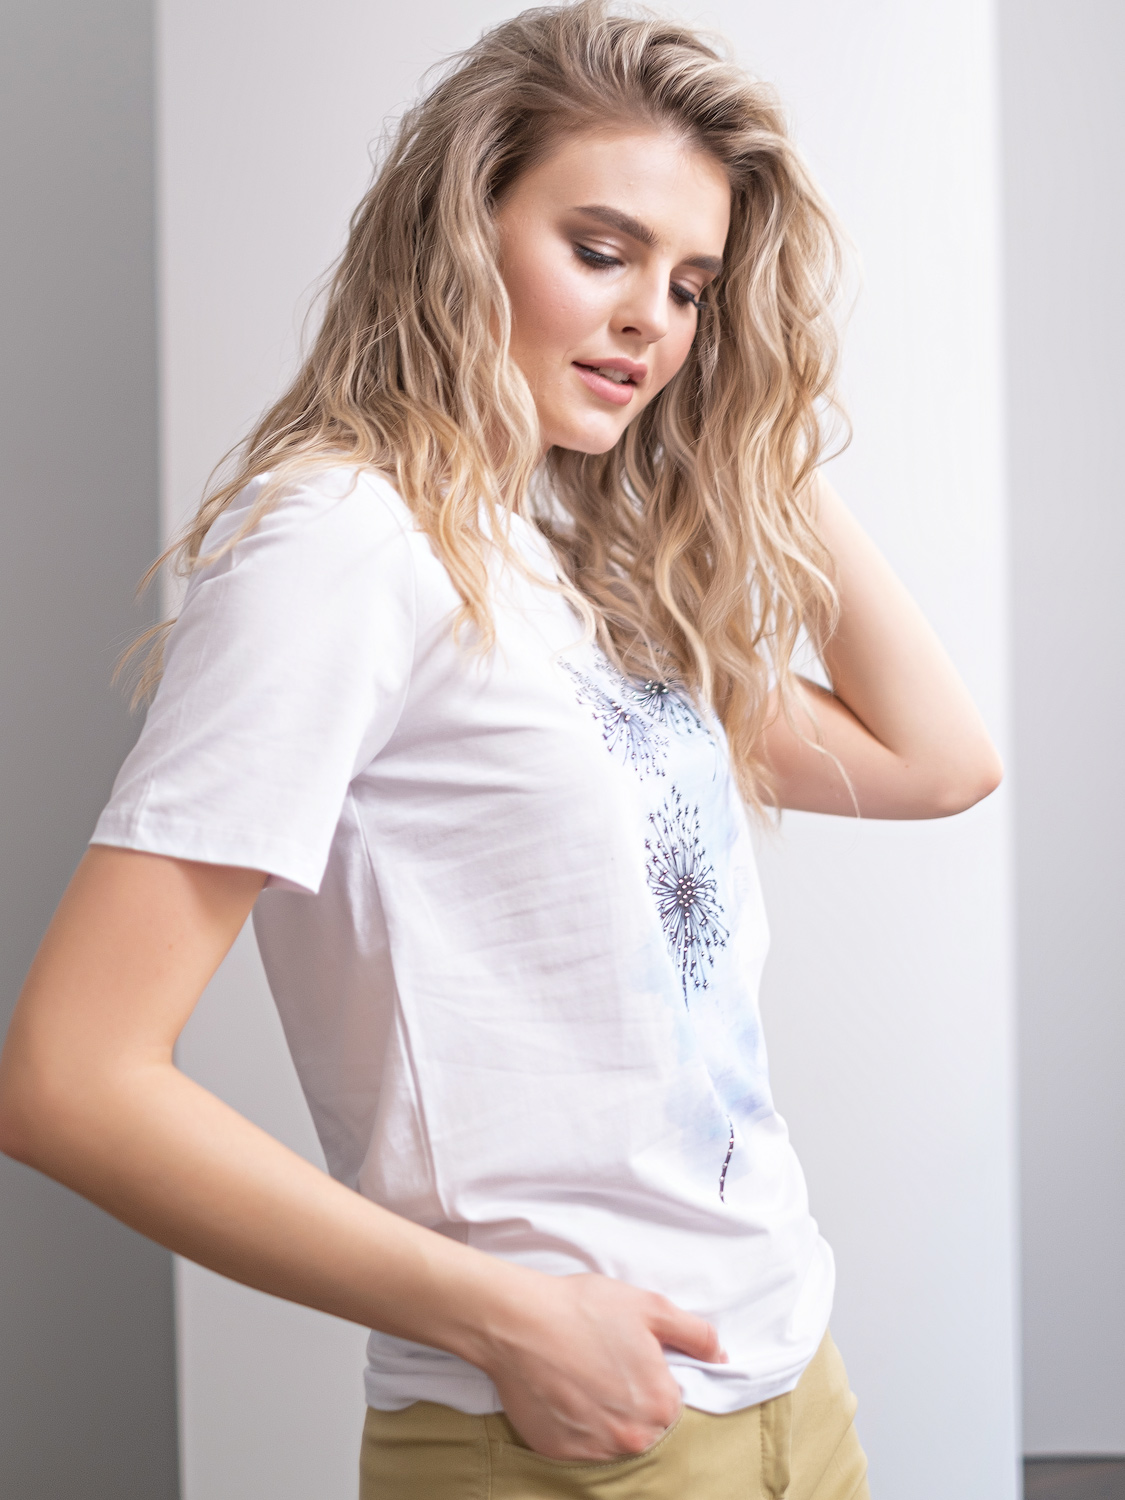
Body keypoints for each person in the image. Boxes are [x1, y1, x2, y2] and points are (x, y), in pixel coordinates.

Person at [0, 3, 1002, 1496]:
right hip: (564, 1438)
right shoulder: (342, 544)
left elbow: (937, 762)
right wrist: (509, 1321)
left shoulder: (572, 563)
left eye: (691, 286)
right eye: (600, 252)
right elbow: (69, 1077)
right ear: (459, 234)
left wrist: (753, 413)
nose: (651, 320)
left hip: (794, 1390)